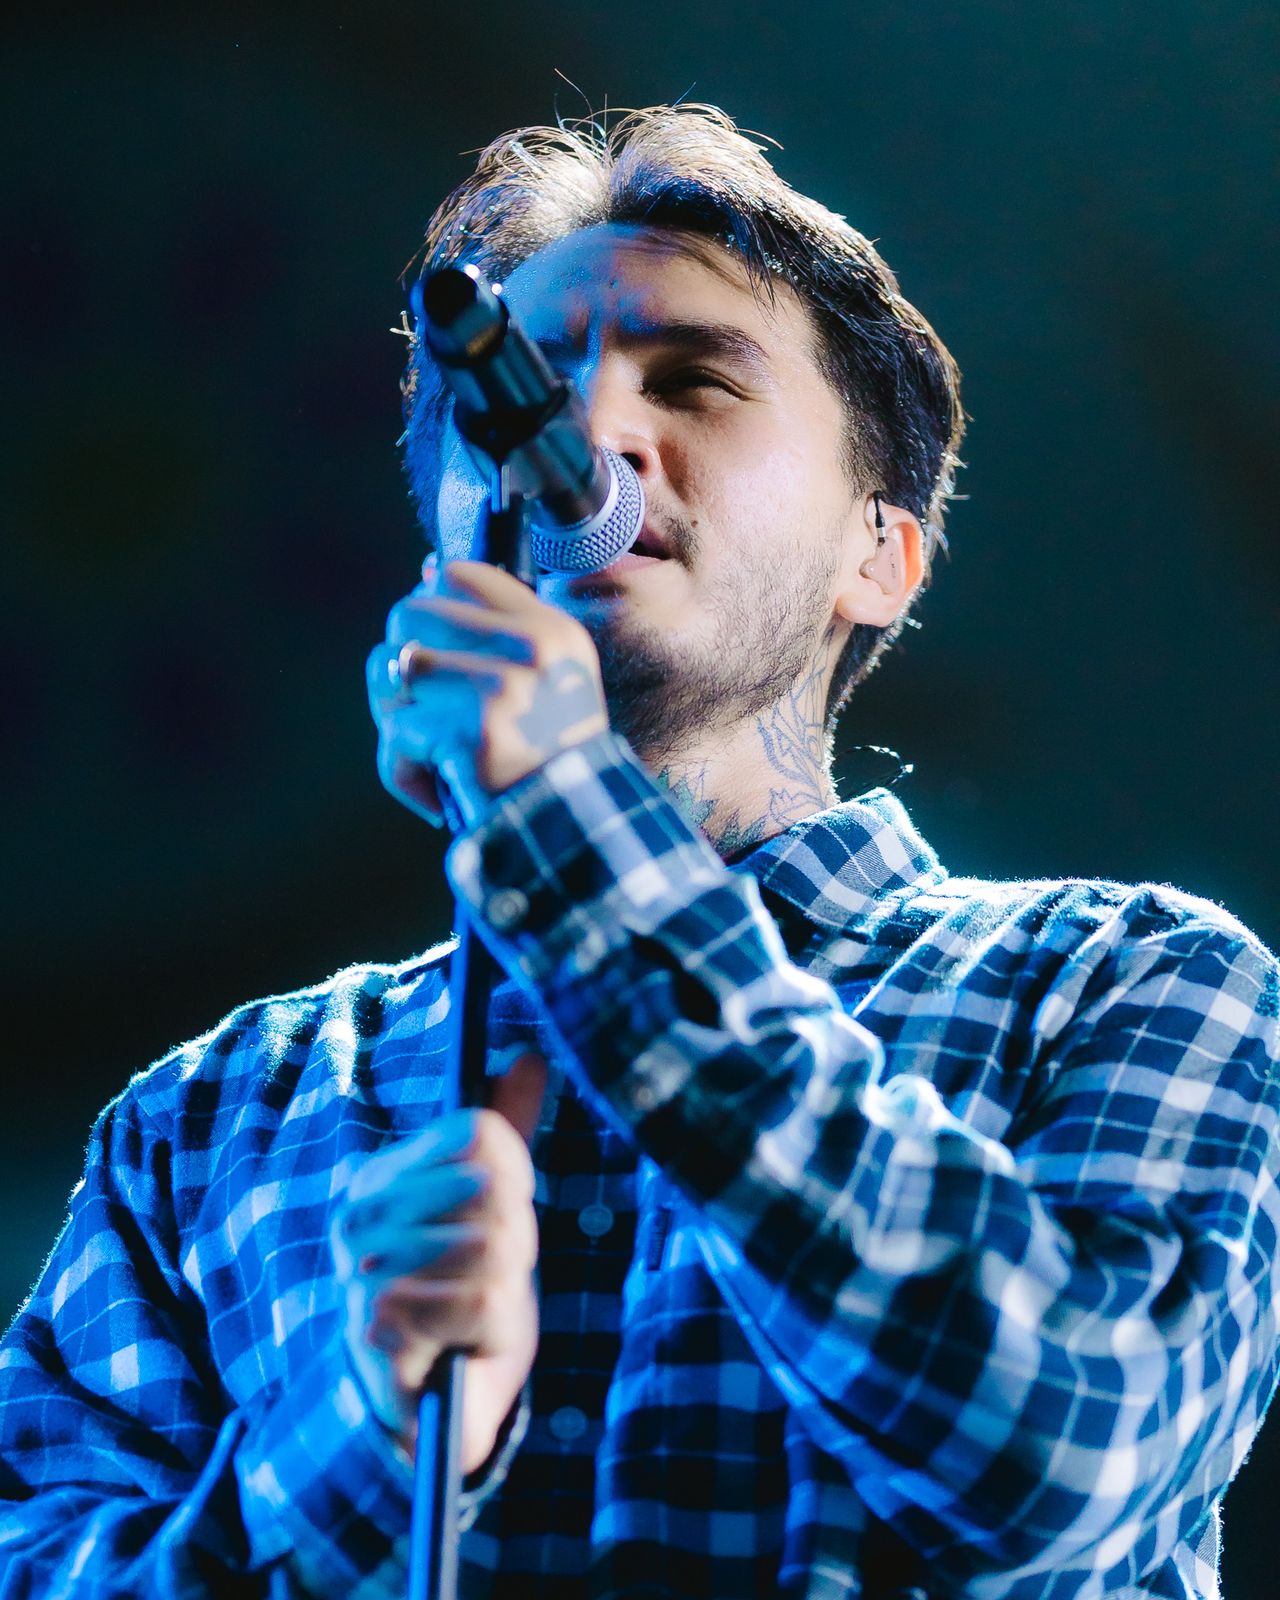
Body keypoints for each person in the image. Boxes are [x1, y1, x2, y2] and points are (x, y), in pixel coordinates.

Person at [1, 103, 1277, 1600]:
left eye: (692, 381)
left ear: (882, 555)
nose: (592, 433)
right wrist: (356, 1448)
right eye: (521, 395)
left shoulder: (1128, 986)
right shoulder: (210, 1120)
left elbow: (1072, 1464)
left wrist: (571, 833)